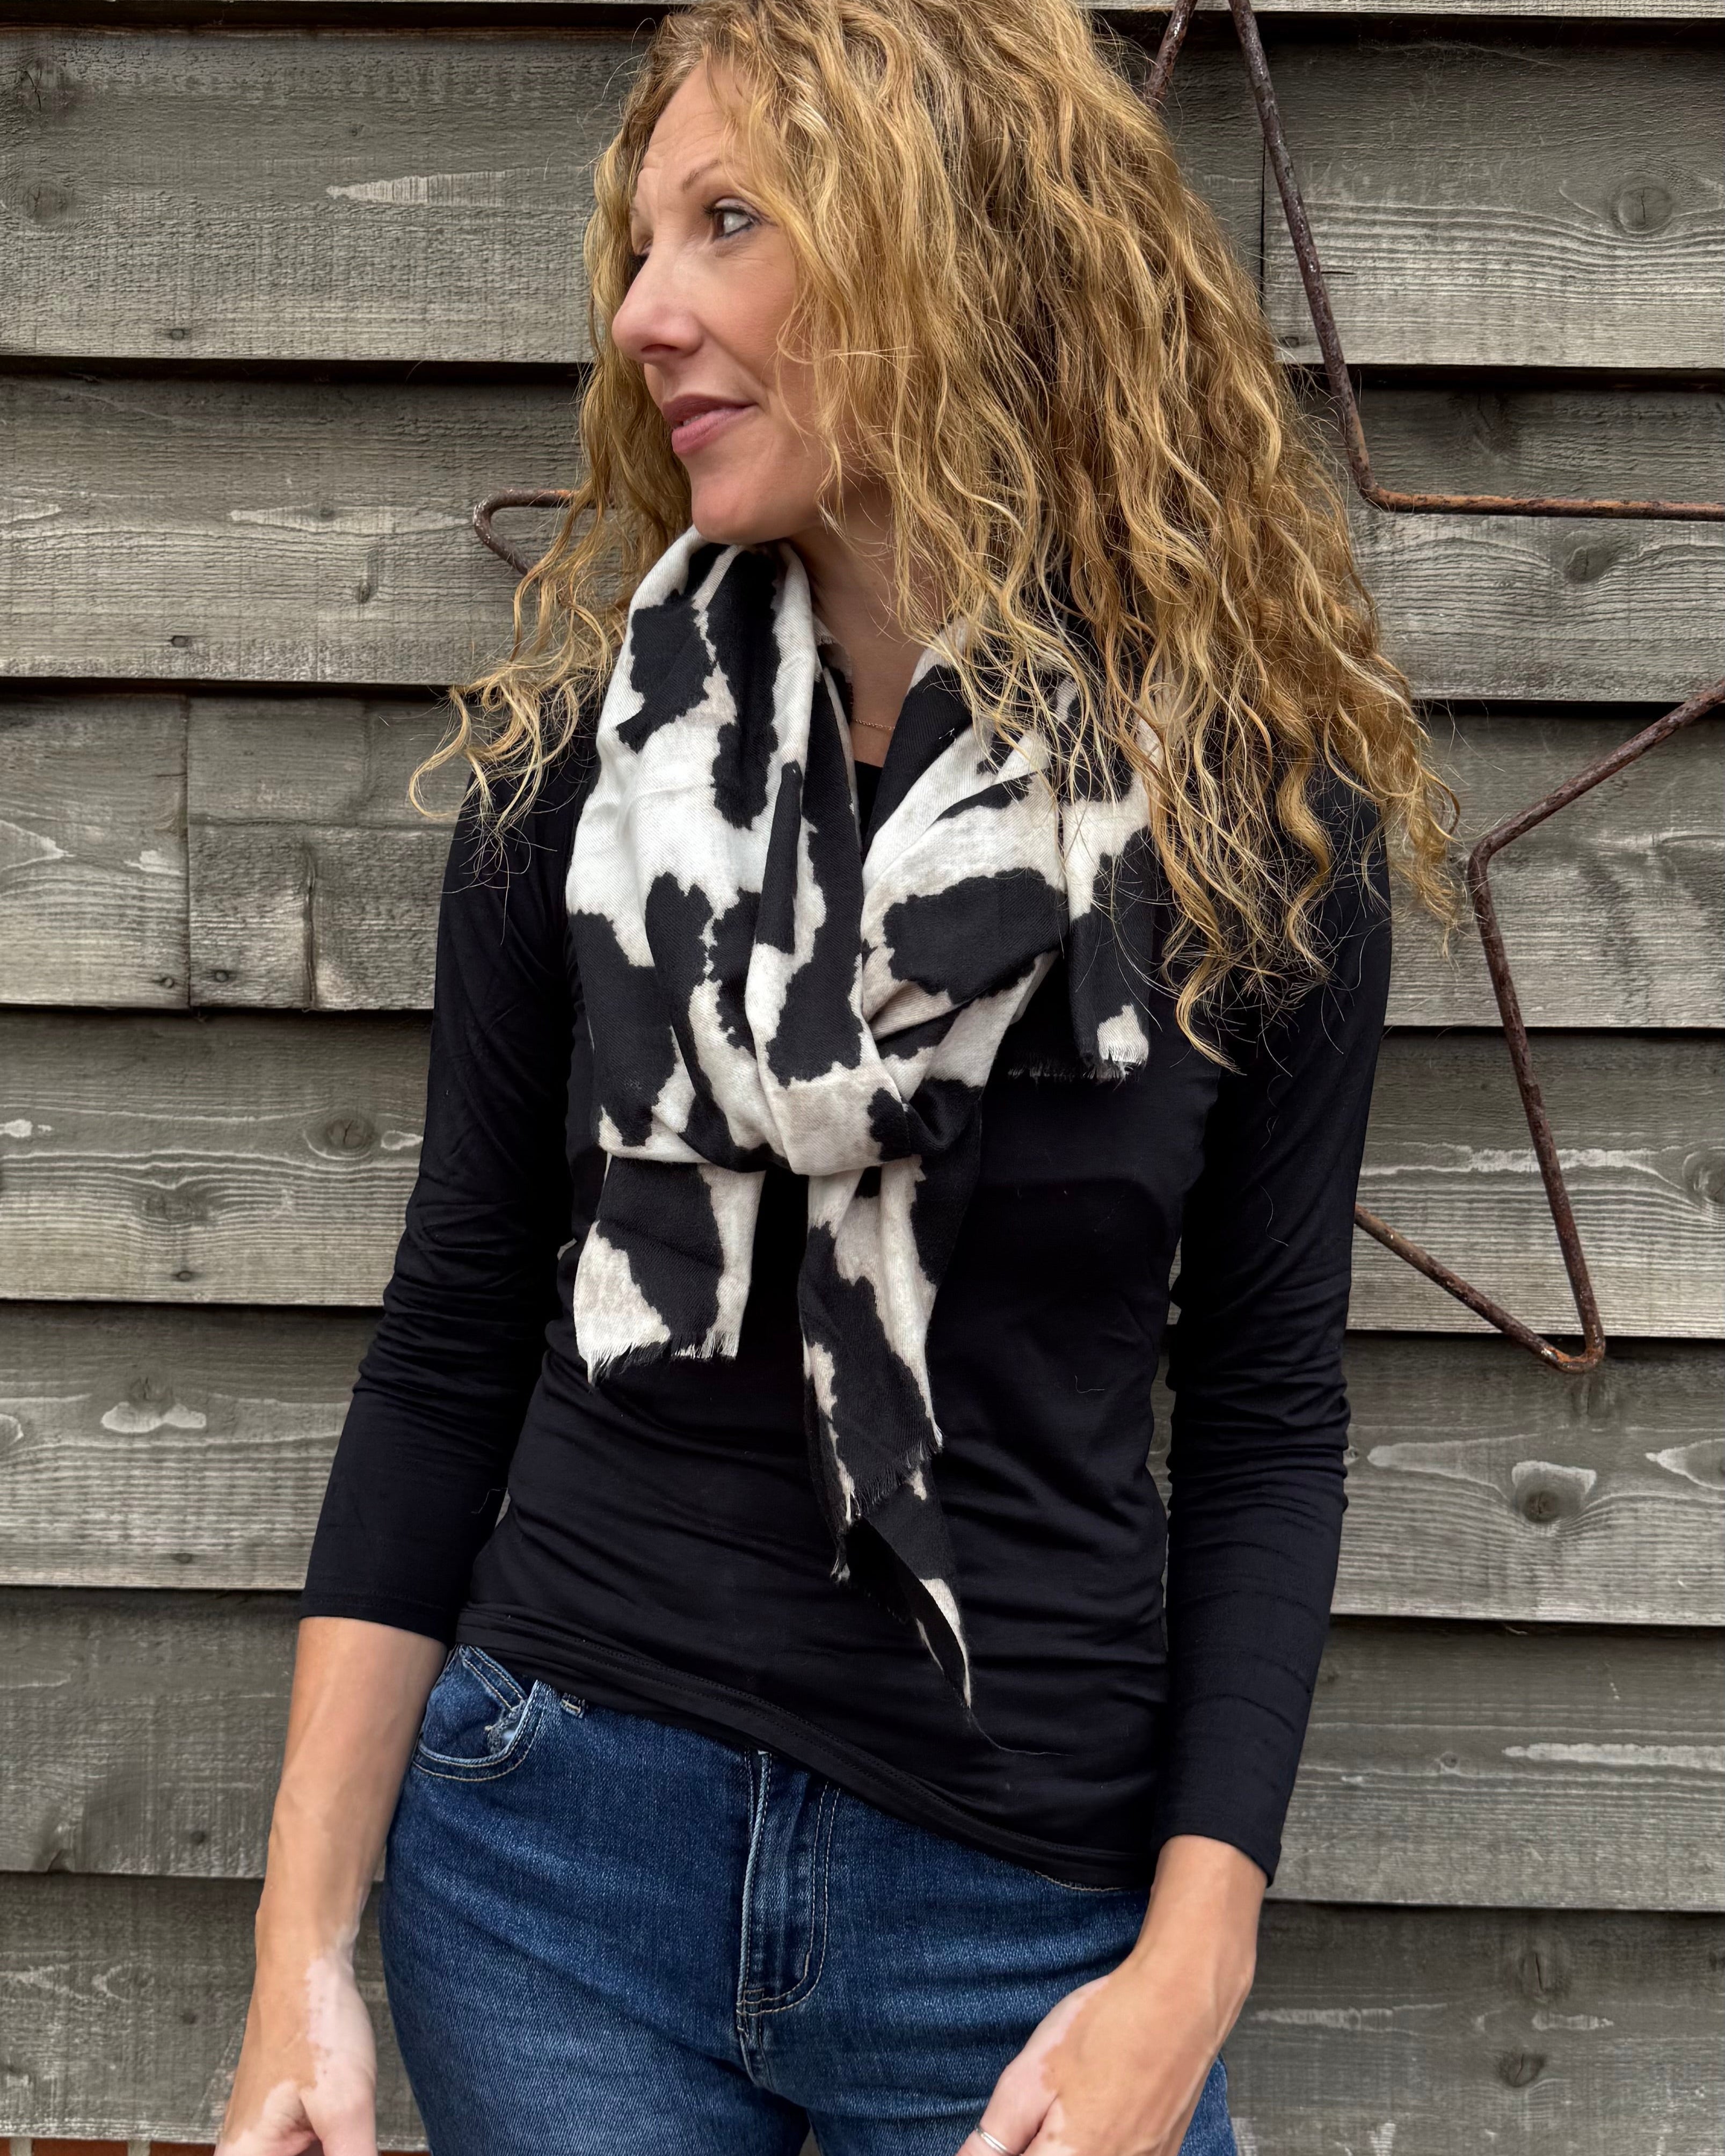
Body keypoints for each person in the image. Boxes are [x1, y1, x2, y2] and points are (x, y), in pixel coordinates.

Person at [216, 3, 1453, 2152]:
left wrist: (1191, 1965)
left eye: (727, 224)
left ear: (953, 252)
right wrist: (298, 1954)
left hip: (1021, 1916)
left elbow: (1266, 1415)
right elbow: (450, 1332)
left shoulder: (1251, 834)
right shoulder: (583, 796)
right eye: (639, 244)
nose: (645, 313)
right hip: (553, 1870)